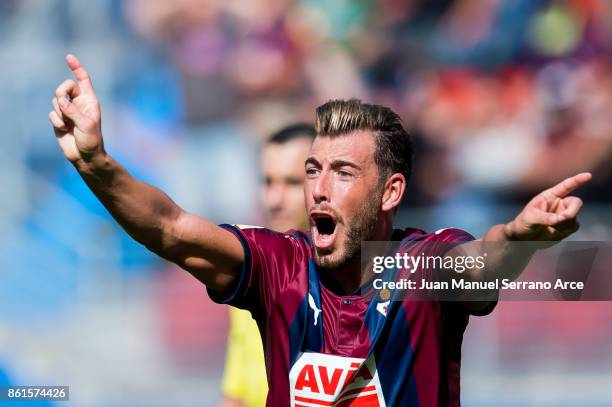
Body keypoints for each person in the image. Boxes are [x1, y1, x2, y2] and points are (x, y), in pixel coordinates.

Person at [49, 54, 590, 406]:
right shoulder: (277, 265)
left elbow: (480, 263)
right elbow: (169, 227)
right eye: (313, 170)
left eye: (343, 172)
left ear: (391, 193)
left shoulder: (422, 266)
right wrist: (96, 162)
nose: (318, 188)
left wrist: (519, 237)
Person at [220, 124, 315, 407]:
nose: (274, 199)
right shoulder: (250, 266)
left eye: (293, 183)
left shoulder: (354, 276)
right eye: (268, 182)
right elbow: (236, 387)